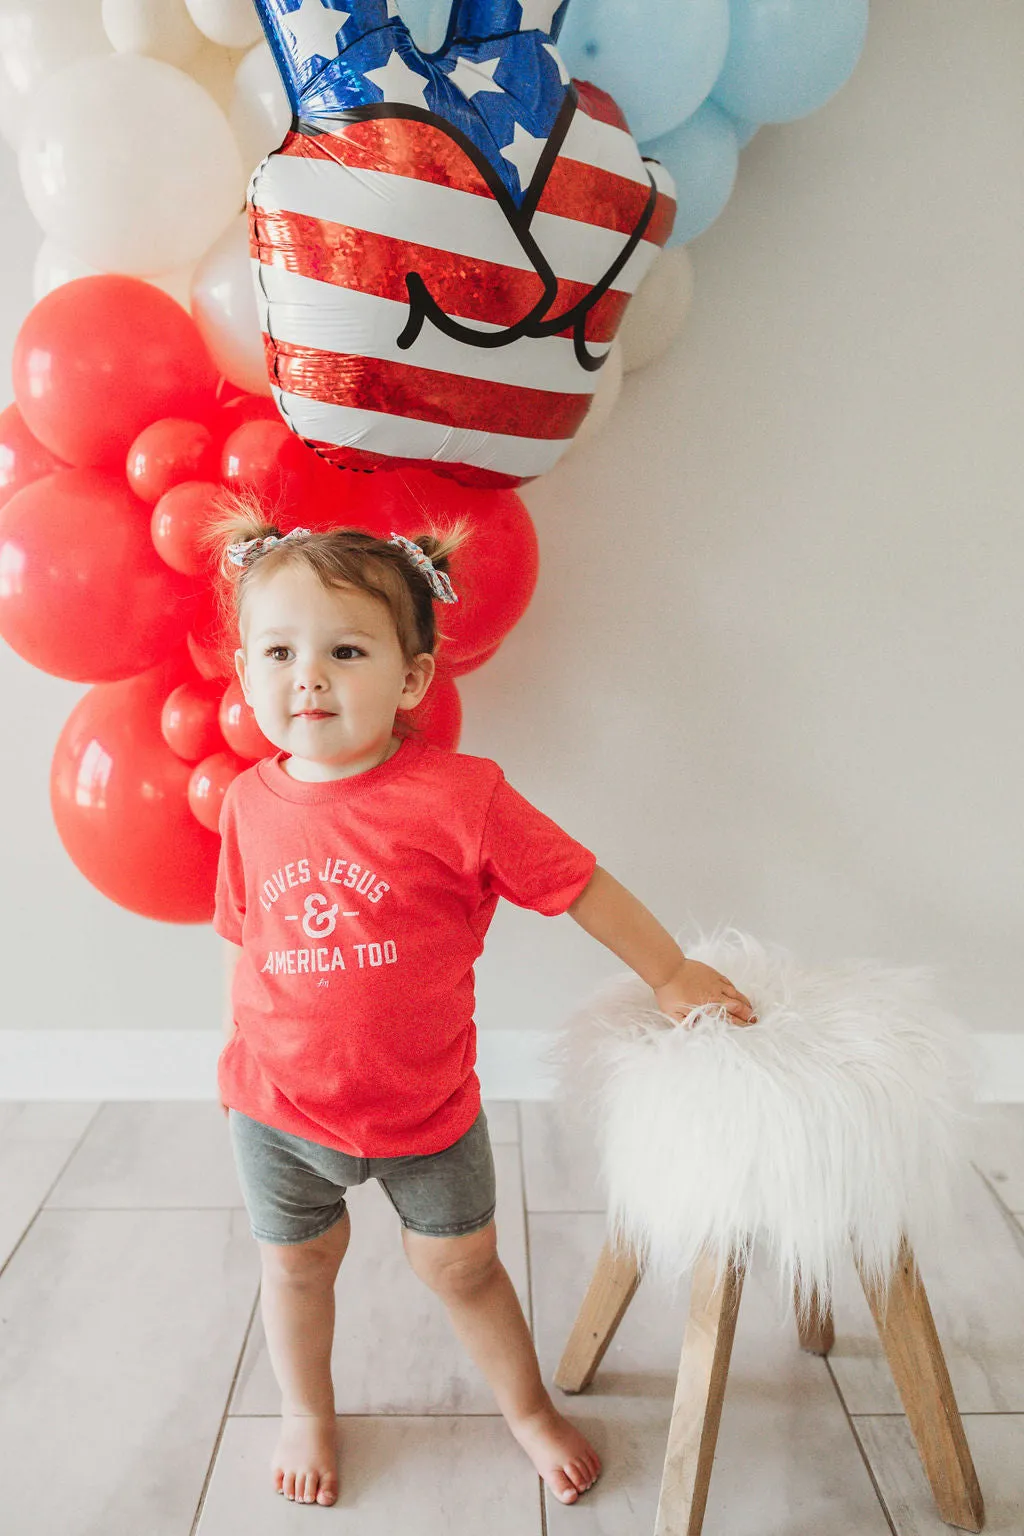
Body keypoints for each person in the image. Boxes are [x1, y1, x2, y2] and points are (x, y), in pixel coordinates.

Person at [208, 495, 757, 1511]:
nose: (308, 677)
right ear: (244, 670)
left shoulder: (460, 797)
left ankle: (528, 1409)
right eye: (277, 653)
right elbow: (250, 943)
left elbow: (579, 882)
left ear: (412, 676)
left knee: (462, 1267)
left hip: (424, 1112)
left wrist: (671, 973)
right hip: (278, 1113)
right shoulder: (247, 804)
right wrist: (261, 1062)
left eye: (345, 651)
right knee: (297, 1269)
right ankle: (306, 1409)